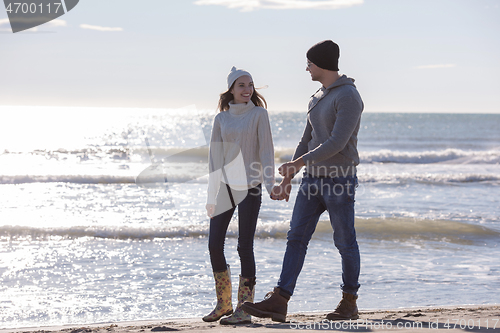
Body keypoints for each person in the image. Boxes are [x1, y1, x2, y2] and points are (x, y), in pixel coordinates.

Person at [242, 40, 364, 322]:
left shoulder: (348, 96)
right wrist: (289, 177)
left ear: (320, 63)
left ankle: (349, 302)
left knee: (345, 242)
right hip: (311, 181)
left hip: (339, 181)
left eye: (309, 62)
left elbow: (336, 143)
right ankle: (280, 300)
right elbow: (306, 139)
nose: (306, 67)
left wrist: (298, 162)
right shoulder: (317, 97)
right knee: (296, 238)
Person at [203, 66, 275, 325]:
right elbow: (215, 160)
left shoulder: (259, 114)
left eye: (250, 84)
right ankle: (223, 304)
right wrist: (211, 196)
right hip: (225, 187)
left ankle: (245, 308)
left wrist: (270, 185)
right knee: (214, 245)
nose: (247, 89)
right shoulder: (221, 120)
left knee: (244, 246)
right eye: (242, 85)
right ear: (231, 89)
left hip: (251, 187)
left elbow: (266, 151)